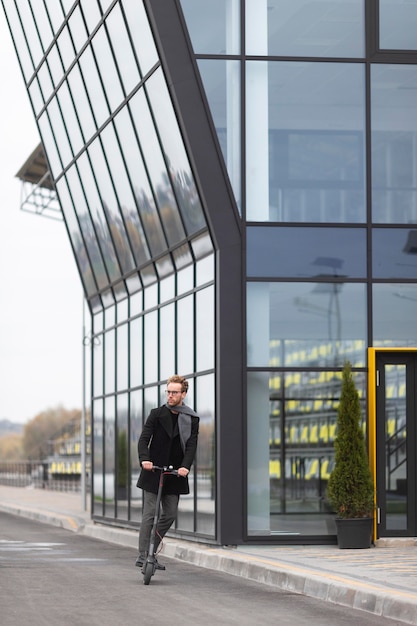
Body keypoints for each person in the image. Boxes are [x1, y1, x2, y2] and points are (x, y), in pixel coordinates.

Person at [135, 375, 199, 570]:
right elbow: (144, 440)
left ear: (183, 394)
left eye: (174, 392)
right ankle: (143, 554)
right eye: (168, 392)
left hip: (175, 473)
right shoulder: (156, 414)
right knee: (149, 514)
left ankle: (151, 549)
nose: (170, 396)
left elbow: (191, 446)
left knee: (169, 514)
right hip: (153, 470)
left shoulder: (192, 418)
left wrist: (185, 467)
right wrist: (144, 459)